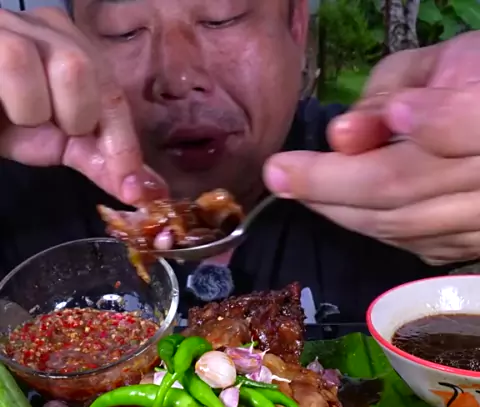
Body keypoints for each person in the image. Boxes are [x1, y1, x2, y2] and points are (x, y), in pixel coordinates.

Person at [0, 1, 479, 328]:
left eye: (220, 17)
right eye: (123, 29)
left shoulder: (400, 160)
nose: (178, 77)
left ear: (296, 25)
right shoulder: (19, 191)